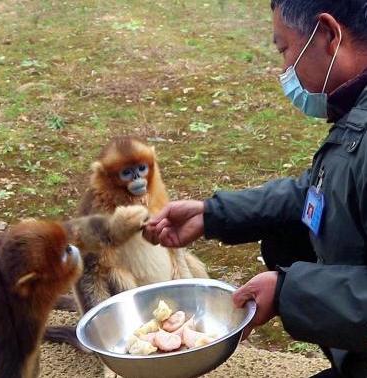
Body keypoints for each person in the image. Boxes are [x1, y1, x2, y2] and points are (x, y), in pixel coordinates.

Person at [143, 1, 367, 377]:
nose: (284, 70)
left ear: (327, 35)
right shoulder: (355, 117)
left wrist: (287, 292)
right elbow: (320, 192)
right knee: (285, 239)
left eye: (284, 49)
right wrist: (212, 214)